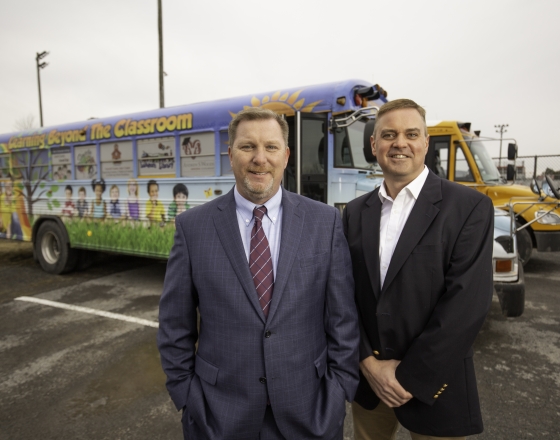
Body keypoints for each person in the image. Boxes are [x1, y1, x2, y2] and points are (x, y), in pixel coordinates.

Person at [158, 107, 359, 440]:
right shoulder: (193, 227)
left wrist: (338, 392)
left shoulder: (325, 222)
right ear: (231, 154)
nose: (259, 158)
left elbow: (343, 321)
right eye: (247, 146)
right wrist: (187, 395)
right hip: (218, 416)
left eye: (271, 147)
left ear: (286, 155)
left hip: (311, 414)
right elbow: (174, 325)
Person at [342, 99, 494, 440]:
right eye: (389, 134)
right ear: (373, 144)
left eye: (412, 134)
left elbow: (466, 304)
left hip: (434, 386)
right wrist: (368, 364)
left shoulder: (469, 207)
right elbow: (344, 295)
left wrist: (409, 378)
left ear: (426, 142)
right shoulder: (353, 212)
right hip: (370, 386)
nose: (400, 143)